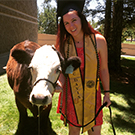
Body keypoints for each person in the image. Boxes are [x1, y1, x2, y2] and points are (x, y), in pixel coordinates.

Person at [55, 0, 111, 135]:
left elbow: (103, 69)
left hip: (92, 95)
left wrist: (107, 93)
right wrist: (59, 84)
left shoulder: (98, 41)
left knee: (95, 132)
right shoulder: (64, 45)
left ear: (82, 19)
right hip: (72, 94)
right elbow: (63, 71)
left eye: (74, 20)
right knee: (74, 132)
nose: (71, 26)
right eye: (66, 23)